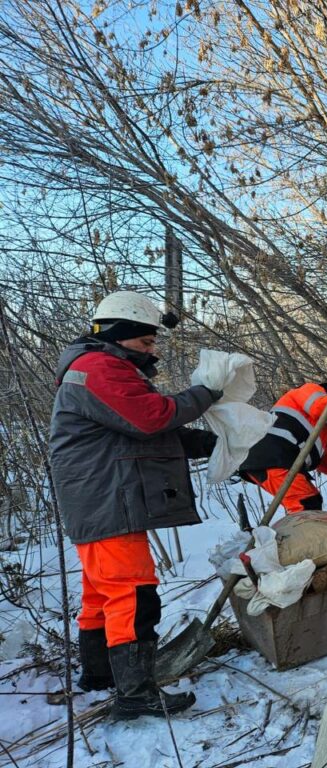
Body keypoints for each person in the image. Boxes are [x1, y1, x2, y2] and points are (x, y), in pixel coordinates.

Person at [49, 291, 221, 720]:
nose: (152, 350)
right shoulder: (98, 367)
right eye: (145, 343)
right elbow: (151, 417)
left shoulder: (93, 368)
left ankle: (100, 675)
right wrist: (208, 392)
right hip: (107, 501)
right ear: (119, 334)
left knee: (102, 593)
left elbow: (130, 430)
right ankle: (136, 693)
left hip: (97, 499)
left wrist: (206, 444)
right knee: (133, 593)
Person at [240, 382, 327, 512]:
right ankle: (302, 540)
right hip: (270, 456)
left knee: (311, 503)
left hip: (280, 461)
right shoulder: (308, 390)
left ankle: (307, 539)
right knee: (305, 506)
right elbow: (323, 406)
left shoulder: (320, 431)